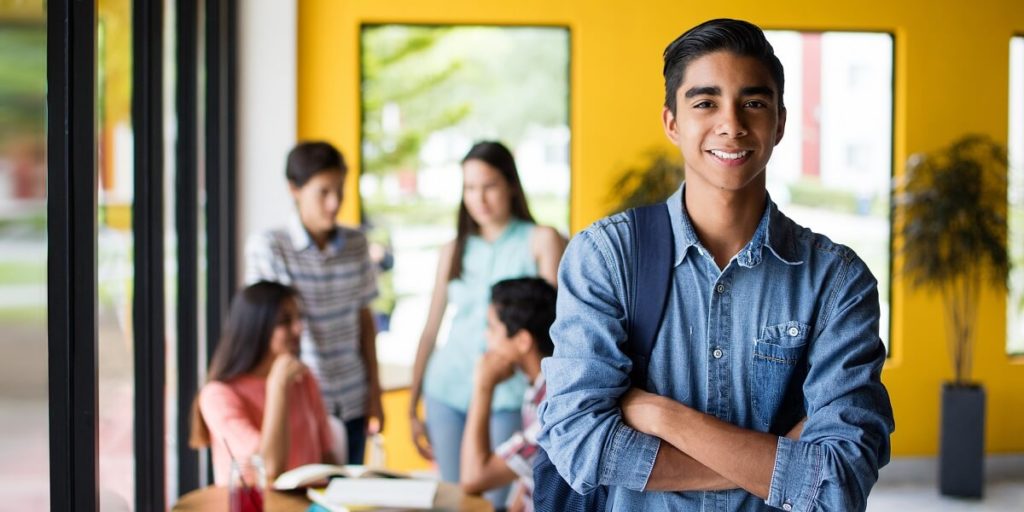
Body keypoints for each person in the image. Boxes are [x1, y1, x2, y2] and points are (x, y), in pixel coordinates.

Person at [537, 18, 895, 511]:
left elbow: (840, 479)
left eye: (753, 102)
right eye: (705, 102)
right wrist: (775, 466)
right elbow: (578, 443)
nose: (732, 123)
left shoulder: (836, 282)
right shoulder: (606, 257)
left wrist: (663, 416)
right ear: (672, 122)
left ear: (780, 122)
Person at [409, 141, 565, 505]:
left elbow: (554, 329)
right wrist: (412, 404)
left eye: (489, 185)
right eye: (470, 188)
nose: (479, 198)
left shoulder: (542, 239)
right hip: (446, 389)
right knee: (453, 498)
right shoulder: (454, 249)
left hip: (509, 397)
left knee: (493, 498)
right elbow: (431, 328)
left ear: (511, 184)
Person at [245, 141, 382, 464]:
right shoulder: (269, 246)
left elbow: (365, 321)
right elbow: (267, 331)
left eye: (340, 191)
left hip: (352, 399)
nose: (334, 203)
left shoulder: (357, 244)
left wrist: (374, 392)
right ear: (294, 188)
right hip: (299, 403)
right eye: (323, 192)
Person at [190, 282, 334, 484]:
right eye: (285, 321)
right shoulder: (217, 395)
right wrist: (277, 386)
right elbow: (269, 468)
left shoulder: (303, 378)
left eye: (298, 318)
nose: (298, 328)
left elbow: (327, 457)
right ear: (255, 327)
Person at [459, 278, 557, 512]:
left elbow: (473, 478)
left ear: (523, 341)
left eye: (492, 328)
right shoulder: (537, 388)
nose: (487, 337)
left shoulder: (552, 408)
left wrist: (483, 387)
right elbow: (528, 482)